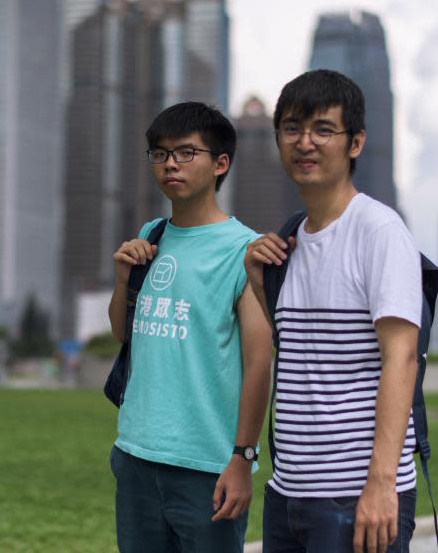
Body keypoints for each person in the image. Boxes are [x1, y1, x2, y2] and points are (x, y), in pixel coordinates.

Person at [244, 69, 422, 553]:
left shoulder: (380, 232)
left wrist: (381, 486)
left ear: (356, 142)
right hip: (288, 495)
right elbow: (306, 356)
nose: (305, 142)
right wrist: (262, 287)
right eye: (292, 128)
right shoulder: (291, 238)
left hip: (354, 497)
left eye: (324, 129)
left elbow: (401, 359)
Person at [108, 102, 275, 553]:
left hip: (207, 466)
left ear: (221, 163)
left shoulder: (244, 250)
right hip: (137, 454)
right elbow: (124, 334)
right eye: (160, 154)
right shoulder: (152, 235)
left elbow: (259, 361)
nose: (170, 165)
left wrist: (243, 458)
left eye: (185, 153)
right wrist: (123, 277)